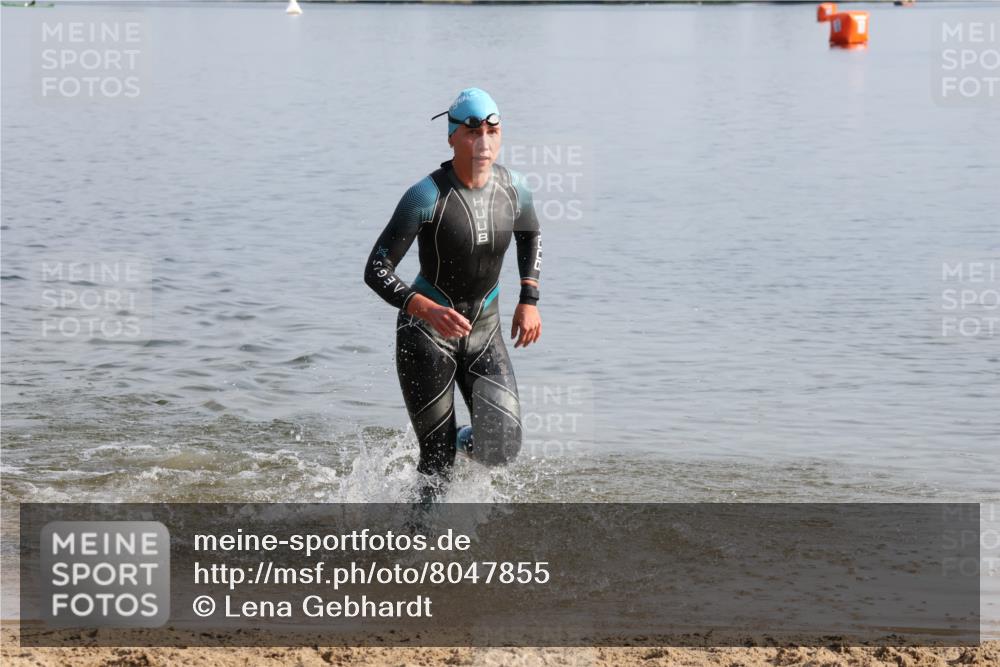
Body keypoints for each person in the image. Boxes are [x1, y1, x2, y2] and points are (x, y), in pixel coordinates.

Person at [363, 88, 542, 503]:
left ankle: (459, 439)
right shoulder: (426, 196)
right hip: (426, 337)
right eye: (473, 131)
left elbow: (530, 233)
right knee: (437, 463)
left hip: (485, 332)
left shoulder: (515, 188)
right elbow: (376, 268)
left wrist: (528, 299)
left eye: (493, 130)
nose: (484, 141)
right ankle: (417, 540)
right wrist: (425, 309)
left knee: (501, 447)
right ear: (451, 137)